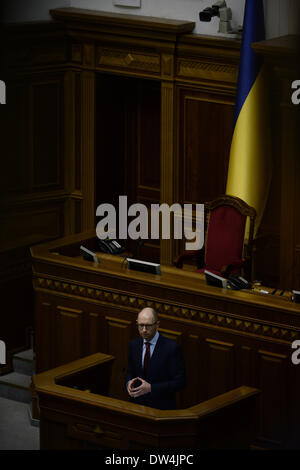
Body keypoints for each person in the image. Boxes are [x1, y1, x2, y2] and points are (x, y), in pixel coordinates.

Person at [126, 307, 185, 410]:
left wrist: (151, 388)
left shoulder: (171, 348)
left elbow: (180, 382)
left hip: (161, 408)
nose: (144, 330)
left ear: (157, 324)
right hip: (137, 405)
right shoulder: (134, 345)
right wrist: (128, 383)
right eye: (141, 325)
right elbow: (130, 372)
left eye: (148, 326)